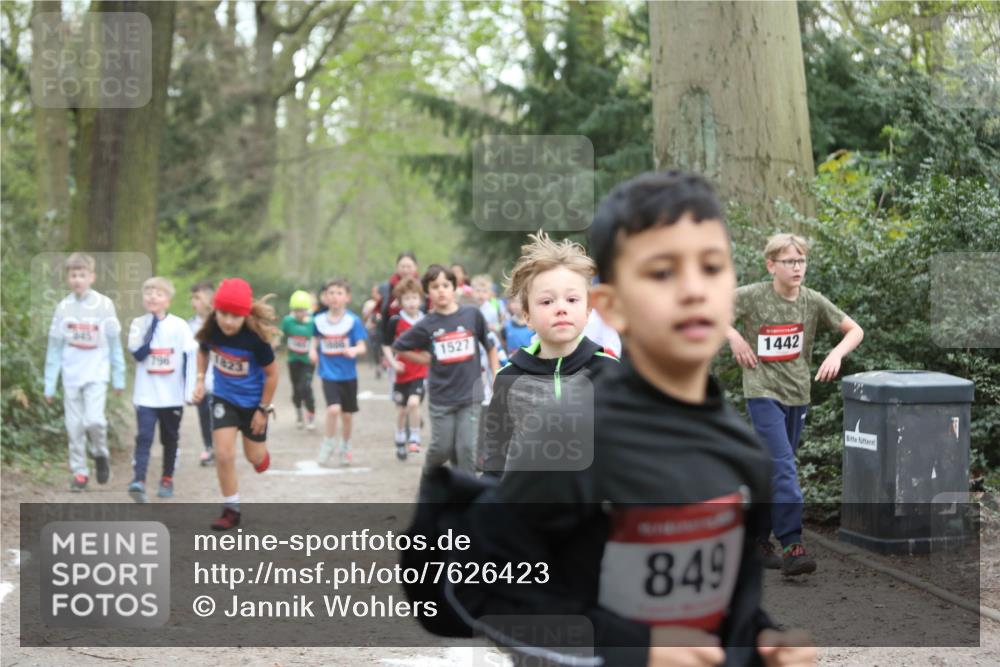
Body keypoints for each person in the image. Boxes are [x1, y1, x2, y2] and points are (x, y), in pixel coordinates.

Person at [443, 172, 816, 667]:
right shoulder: (570, 436)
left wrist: (761, 641)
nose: (692, 289)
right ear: (612, 306)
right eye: (662, 271)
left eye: (711, 266)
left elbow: (727, 606)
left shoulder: (742, 452)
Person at [727, 233, 864, 576]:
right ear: (771, 265)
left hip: (798, 393)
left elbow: (854, 330)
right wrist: (734, 337)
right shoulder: (753, 296)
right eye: (789, 261)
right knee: (784, 465)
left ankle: (757, 541)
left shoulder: (812, 300)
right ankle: (792, 544)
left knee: (771, 469)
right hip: (761, 391)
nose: (797, 267)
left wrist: (835, 353)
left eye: (801, 260)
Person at [480, 230, 618, 478]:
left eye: (572, 299)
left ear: (588, 311)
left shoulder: (610, 371)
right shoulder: (508, 377)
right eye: (547, 301)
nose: (561, 309)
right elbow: (495, 458)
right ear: (527, 316)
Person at [393, 265, 498, 486]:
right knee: (442, 449)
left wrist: (496, 374)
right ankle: (429, 481)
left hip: (470, 395)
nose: (441, 290)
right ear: (427, 292)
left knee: (467, 448)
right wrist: (428, 359)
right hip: (442, 398)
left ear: (454, 288)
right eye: (434, 287)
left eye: (445, 285)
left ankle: (468, 499)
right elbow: (400, 346)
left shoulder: (472, 315)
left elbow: (490, 346)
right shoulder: (427, 324)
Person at [192, 278, 277, 531]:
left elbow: (272, 375)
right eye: (223, 314)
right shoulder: (212, 330)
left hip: (253, 405)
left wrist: (263, 410)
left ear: (245, 316)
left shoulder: (255, 340)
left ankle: (261, 454)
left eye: (235, 317)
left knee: (255, 458)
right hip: (224, 399)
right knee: (223, 453)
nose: (228, 321)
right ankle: (232, 509)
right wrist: (199, 381)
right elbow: (202, 351)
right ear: (215, 310)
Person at [43, 252, 125, 491]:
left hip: (97, 374)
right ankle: (80, 473)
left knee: (94, 421)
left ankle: (100, 454)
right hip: (71, 375)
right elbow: (54, 349)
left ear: (92, 277)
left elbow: (114, 344)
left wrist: (119, 378)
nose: (78, 279)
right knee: (74, 426)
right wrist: (50, 384)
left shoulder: (104, 305)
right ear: (68, 278)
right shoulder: (63, 308)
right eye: (73, 275)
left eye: (82, 275)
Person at [125, 277, 198, 502]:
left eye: (158, 293)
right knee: (144, 437)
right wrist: (152, 325)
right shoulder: (138, 324)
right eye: (148, 293)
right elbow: (138, 354)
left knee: (170, 438)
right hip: (146, 395)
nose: (152, 297)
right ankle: (139, 480)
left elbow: (190, 357)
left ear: (168, 300)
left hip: (172, 396)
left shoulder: (179, 326)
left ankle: (167, 477)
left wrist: (189, 391)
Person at [309, 278, 368, 466]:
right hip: (328, 374)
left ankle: (345, 446)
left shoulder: (353, 321)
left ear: (347, 297)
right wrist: (312, 350)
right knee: (333, 409)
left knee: (347, 415)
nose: (335, 297)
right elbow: (315, 339)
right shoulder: (318, 320)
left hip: (348, 375)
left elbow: (362, 346)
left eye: (339, 293)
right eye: (331, 293)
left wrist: (354, 350)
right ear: (325, 297)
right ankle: (328, 444)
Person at [383, 278, 430, 460]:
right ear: (400, 301)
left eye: (414, 298)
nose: (411, 302)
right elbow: (386, 345)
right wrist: (393, 363)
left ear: (421, 299)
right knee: (401, 410)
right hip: (400, 372)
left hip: (420, 371)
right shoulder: (395, 321)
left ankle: (415, 437)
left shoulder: (426, 320)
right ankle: (399, 437)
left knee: (413, 403)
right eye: (407, 299)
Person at [187, 281, 216, 465]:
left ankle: (219, 446)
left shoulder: (220, 322)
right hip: (199, 379)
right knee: (204, 414)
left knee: (218, 414)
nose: (194, 302)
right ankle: (209, 447)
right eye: (193, 298)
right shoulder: (188, 325)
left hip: (220, 378)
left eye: (198, 297)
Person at [281, 290, 318, 430]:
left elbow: (318, 339)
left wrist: (315, 351)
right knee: (296, 390)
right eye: (296, 311)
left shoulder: (312, 323)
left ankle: (311, 413)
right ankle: (298, 413)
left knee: (305, 387)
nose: (299, 314)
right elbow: (281, 336)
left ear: (307, 310)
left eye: (301, 310)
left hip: (307, 362)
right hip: (293, 360)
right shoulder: (288, 321)